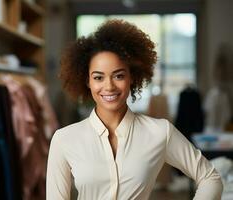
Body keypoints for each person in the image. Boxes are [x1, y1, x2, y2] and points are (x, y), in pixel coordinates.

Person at [46, 19, 223, 200]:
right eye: (98, 77)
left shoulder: (160, 132)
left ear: (132, 77)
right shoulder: (64, 139)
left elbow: (210, 178)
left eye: (119, 75)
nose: (109, 86)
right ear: (87, 82)